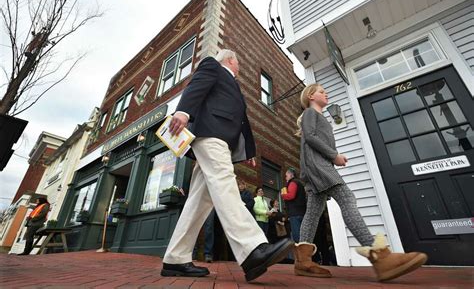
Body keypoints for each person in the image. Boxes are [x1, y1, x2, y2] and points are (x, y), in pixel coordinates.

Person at [160, 49, 293, 282]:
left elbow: (240, 119)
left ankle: (175, 259)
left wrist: (248, 151)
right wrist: (183, 112)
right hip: (210, 134)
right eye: (239, 63)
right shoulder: (212, 65)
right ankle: (252, 249)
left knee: (199, 202)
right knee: (225, 183)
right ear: (231, 60)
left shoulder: (233, 85)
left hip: (222, 140)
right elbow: (196, 86)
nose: (239, 68)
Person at [293, 83, 428, 281]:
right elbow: (311, 139)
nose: (326, 93)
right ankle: (380, 257)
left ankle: (303, 262)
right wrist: (334, 156)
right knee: (347, 199)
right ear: (311, 96)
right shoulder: (310, 114)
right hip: (319, 168)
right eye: (322, 91)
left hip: (318, 167)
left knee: (313, 213)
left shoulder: (318, 117)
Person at [281, 167, 306, 243]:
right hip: (302, 212)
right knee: (303, 235)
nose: (285, 178)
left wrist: (283, 195)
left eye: (286, 176)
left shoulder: (293, 182)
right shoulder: (300, 184)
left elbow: (291, 195)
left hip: (295, 214)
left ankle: (301, 253)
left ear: (291, 175)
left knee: (297, 237)